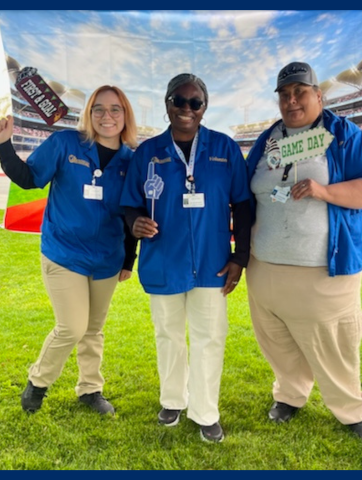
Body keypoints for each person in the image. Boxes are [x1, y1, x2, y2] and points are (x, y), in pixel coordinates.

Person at [246, 61, 362, 442]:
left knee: (334, 343)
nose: (292, 100)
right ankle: (291, 394)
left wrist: (324, 191)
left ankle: (351, 409)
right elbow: (247, 192)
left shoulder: (342, 134)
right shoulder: (268, 139)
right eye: (285, 94)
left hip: (322, 268)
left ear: (317, 95)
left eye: (300, 92)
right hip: (265, 265)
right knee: (276, 338)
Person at [0, 85, 138, 415]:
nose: (106, 116)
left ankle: (90, 389)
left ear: (126, 115)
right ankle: (39, 382)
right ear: (88, 113)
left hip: (107, 259)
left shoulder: (132, 160)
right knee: (71, 326)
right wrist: (3, 147)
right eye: (98, 108)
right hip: (64, 252)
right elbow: (29, 178)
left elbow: (131, 213)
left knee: (93, 330)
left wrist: (129, 258)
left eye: (115, 109)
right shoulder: (65, 143)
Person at [120, 73, 251, 442]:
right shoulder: (148, 153)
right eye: (179, 100)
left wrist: (240, 256)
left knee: (210, 337)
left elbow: (242, 206)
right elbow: (130, 204)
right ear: (167, 104)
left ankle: (206, 411)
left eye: (195, 103)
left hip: (213, 264)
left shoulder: (225, 150)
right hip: (163, 262)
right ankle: (173, 399)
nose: (186, 109)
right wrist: (136, 223)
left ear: (205, 108)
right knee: (168, 335)